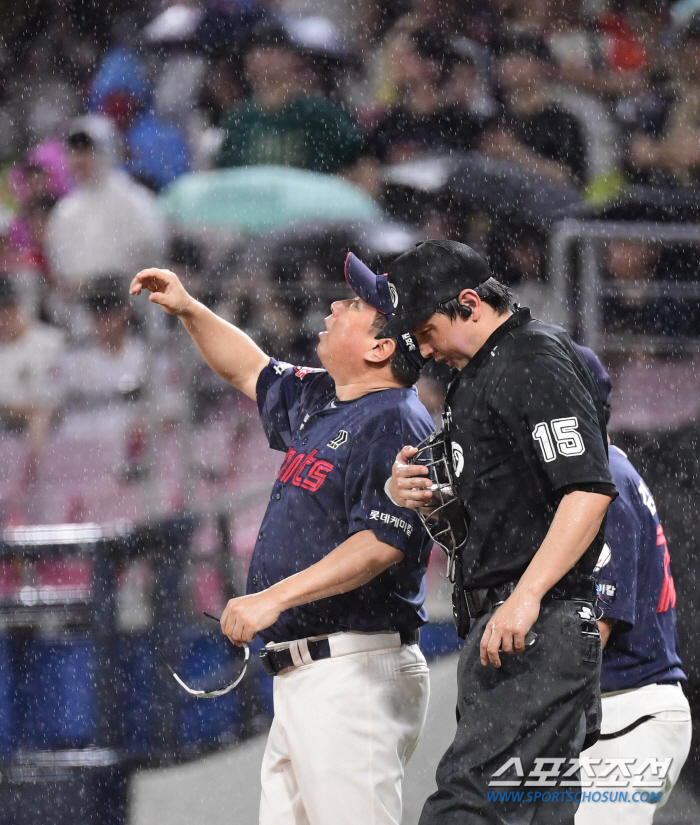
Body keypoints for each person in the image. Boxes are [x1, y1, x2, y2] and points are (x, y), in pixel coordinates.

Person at [129, 253, 434, 825]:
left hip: (353, 671)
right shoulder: (330, 398)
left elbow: (381, 544)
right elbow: (251, 369)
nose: (336, 305)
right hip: (309, 676)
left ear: (380, 348)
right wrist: (189, 308)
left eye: (355, 305)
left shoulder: (397, 419)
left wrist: (273, 598)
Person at [386, 239, 617, 824]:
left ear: (469, 302)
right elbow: (501, 516)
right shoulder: (477, 374)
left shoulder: (530, 358)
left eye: (426, 328)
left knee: (465, 810)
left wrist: (528, 596)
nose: (422, 347)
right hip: (510, 626)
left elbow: (586, 490)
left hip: (537, 625)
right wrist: (429, 501)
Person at [573, 345, 691, 825]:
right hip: (618, 710)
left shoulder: (604, 482)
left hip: (630, 710)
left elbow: (592, 634)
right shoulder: (605, 467)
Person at [214, 22, 363, 174]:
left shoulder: (319, 114)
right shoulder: (240, 118)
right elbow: (220, 172)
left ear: (289, 58)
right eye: (254, 53)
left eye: (269, 52)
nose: (261, 60)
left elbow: (361, 161)